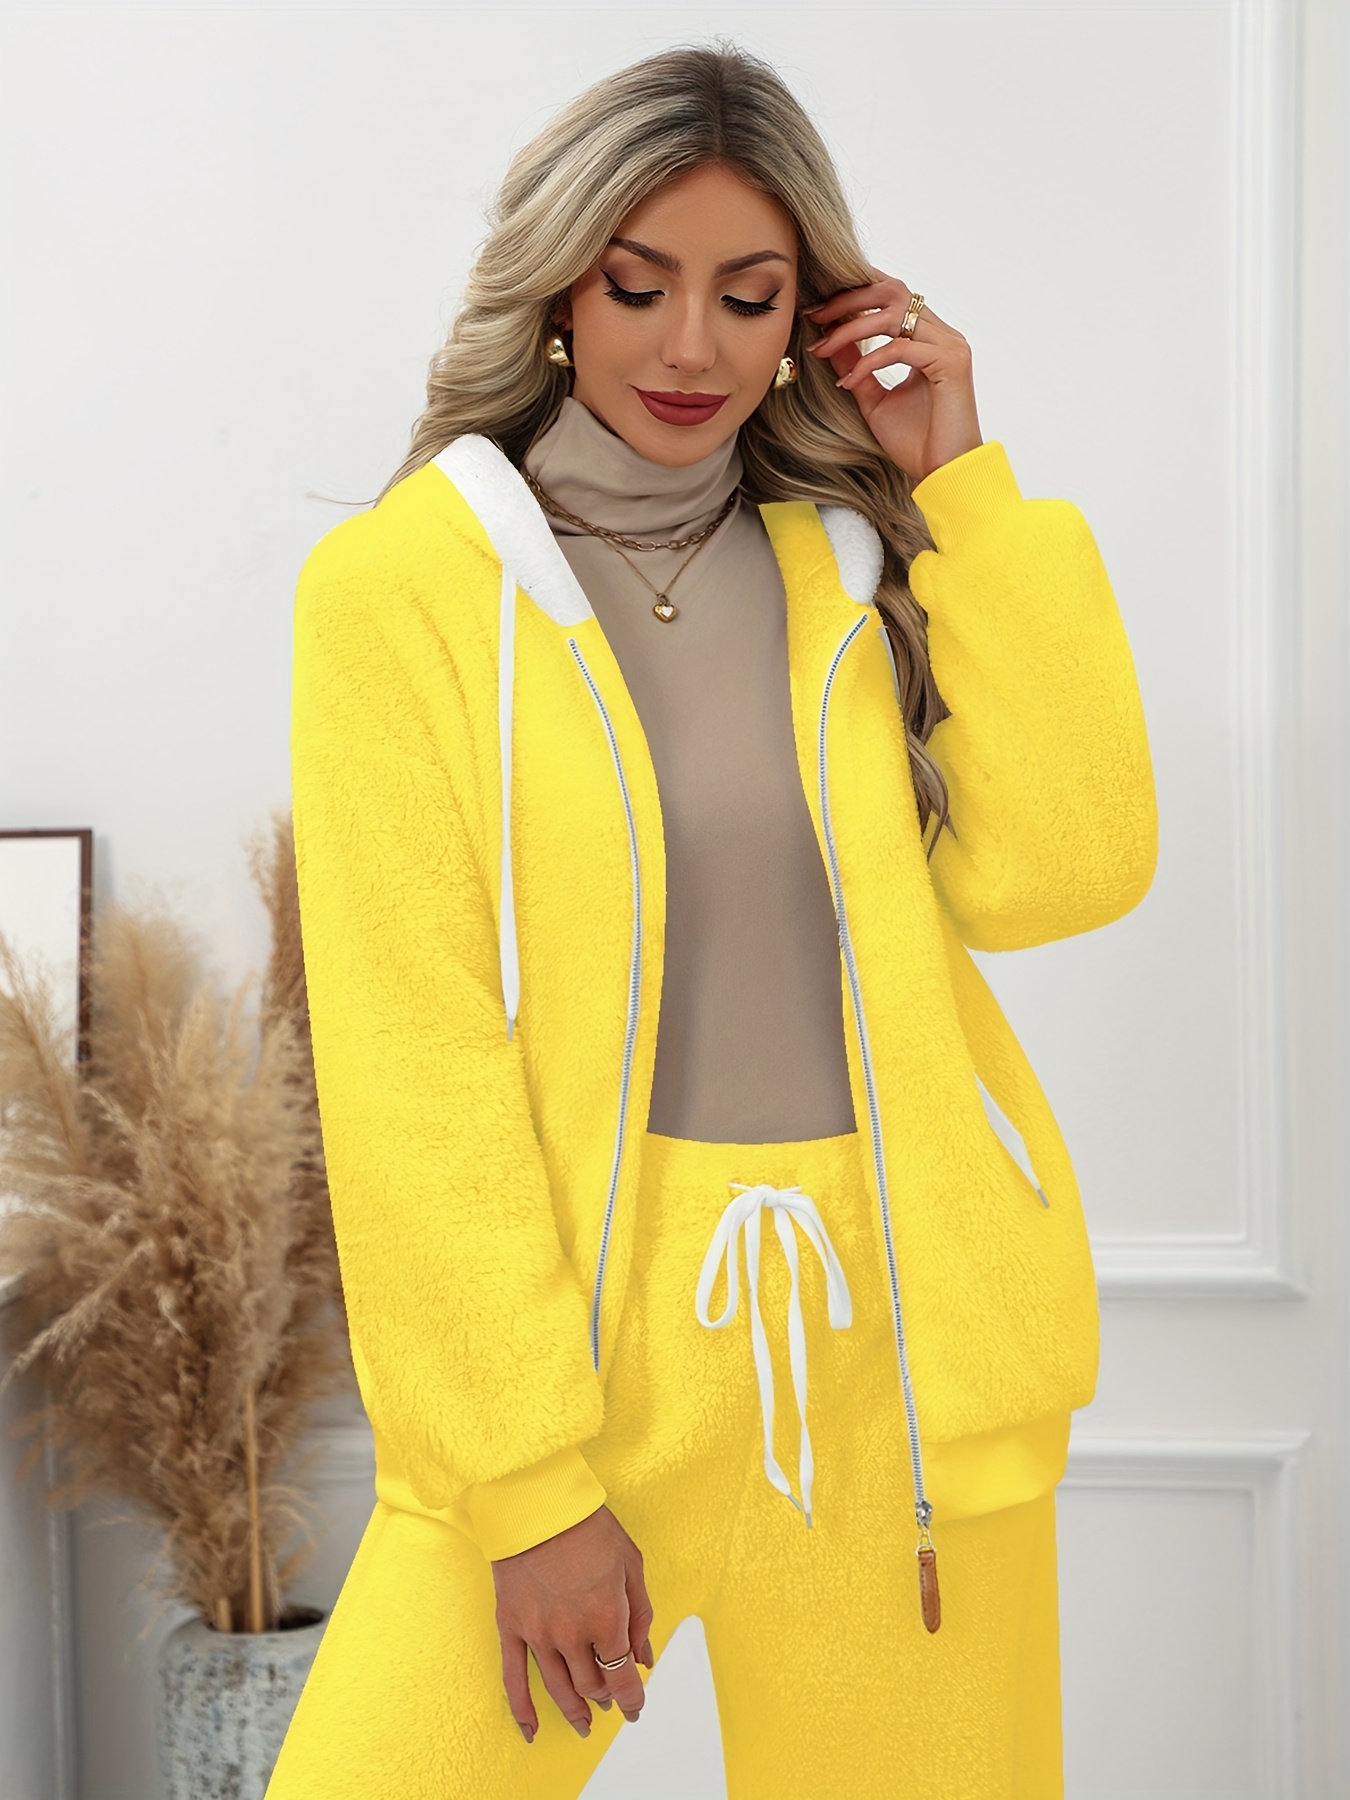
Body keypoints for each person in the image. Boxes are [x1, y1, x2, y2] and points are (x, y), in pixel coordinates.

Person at [267, 41, 1156, 1800]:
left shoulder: (851, 560)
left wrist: (960, 492)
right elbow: (409, 1060)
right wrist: (528, 1488)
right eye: (637, 286)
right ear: (556, 291)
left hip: (902, 1368)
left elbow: (1060, 874)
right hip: (579, 1368)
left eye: (747, 297)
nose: (691, 348)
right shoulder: (402, 592)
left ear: (806, 314)